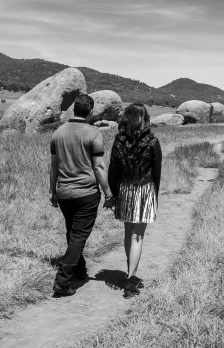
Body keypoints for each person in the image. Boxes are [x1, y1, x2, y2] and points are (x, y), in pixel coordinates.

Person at [49, 94, 114, 297]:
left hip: (64, 193)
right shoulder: (93, 133)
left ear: (74, 110)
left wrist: (52, 190)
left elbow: (53, 166)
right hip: (86, 193)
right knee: (78, 236)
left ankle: (79, 270)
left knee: (72, 233)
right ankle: (62, 281)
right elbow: (99, 165)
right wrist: (108, 193)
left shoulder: (58, 133)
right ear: (91, 112)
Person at [108, 103, 162, 298]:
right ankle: (131, 279)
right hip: (144, 189)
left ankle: (130, 271)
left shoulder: (118, 141)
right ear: (144, 119)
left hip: (124, 189)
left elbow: (112, 171)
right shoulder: (152, 141)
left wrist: (113, 195)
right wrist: (155, 195)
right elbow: (156, 172)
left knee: (128, 232)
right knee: (138, 236)